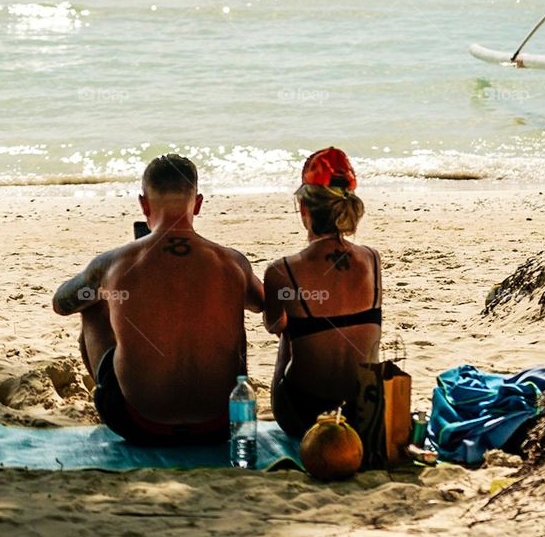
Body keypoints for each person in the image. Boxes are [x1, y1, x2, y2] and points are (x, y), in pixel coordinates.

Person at [53, 154, 264, 445]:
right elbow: (263, 305)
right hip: (221, 423)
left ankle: (108, 390)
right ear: (198, 203)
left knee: (92, 304)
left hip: (137, 425)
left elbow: (61, 302)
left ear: (144, 205)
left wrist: (111, 290)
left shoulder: (114, 263)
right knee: (228, 299)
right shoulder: (232, 263)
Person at [264, 148, 382, 438]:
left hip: (304, 415)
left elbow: (273, 325)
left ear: (304, 208)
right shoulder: (372, 259)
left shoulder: (282, 271)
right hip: (364, 412)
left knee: (288, 330)